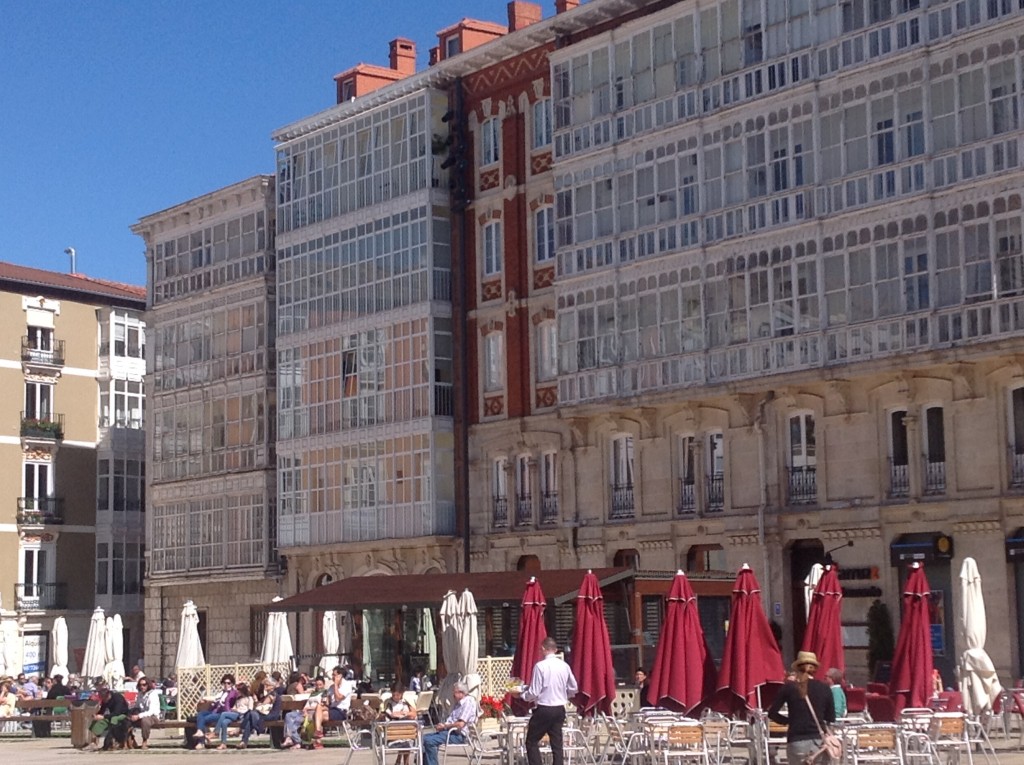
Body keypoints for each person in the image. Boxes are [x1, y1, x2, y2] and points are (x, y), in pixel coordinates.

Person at [514, 636, 579, 765]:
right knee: (557, 744)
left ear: (543, 649)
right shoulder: (564, 666)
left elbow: (534, 692)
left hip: (544, 708)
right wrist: (565, 695)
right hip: (559, 707)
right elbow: (574, 687)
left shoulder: (540, 666)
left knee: (531, 741)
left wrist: (521, 696)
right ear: (555, 650)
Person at [768, 651, 836, 765]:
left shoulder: (789, 688)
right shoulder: (825, 688)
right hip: (819, 742)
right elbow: (831, 717)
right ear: (814, 669)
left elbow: (772, 713)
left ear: (797, 669)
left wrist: (789, 721)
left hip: (796, 741)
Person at [422, 681, 477, 765]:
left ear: (461, 693)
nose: (452, 694)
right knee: (424, 738)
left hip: (460, 736)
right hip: (451, 732)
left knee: (429, 741)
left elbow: (460, 724)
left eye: (454, 692)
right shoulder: (457, 704)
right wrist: (442, 725)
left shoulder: (468, 702)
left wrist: (445, 726)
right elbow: (451, 720)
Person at [194, 674, 238, 749]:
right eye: (224, 683)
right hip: (214, 711)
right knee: (200, 714)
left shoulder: (233, 693)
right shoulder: (221, 692)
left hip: (222, 713)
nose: (226, 685)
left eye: (228, 683)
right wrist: (205, 700)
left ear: (232, 684)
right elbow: (215, 699)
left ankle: (201, 742)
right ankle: (199, 732)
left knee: (203, 719)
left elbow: (229, 701)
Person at [89, 682, 131, 750]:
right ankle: (93, 741)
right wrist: (97, 715)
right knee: (98, 722)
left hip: (123, 715)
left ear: (108, 695)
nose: (103, 700)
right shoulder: (105, 700)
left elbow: (117, 712)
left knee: (114, 719)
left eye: (103, 698)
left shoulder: (117, 697)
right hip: (112, 715)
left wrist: (103, 717)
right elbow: (102, 710)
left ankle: (113, 740)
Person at [383, 682, 417, 765]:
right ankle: (405, 763)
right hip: (393, 733)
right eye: (393, 695)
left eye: (397, 695)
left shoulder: (406, 702)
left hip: (406, 732)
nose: (395, 697)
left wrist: (405, 713)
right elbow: (382, 714)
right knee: (406, 738)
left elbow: (414, 714)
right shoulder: (388, 703)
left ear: (402, 694)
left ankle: (400, 761)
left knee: (407, 737)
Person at [213, 681, 254, 750]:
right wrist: (233, 709)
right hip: (236, 714)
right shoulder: (238, 699)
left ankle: (216, 732)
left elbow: (250, 709)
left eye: (238, 690)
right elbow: (235, 707)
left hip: (242, 715)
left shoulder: (249, 698)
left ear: (242, 691)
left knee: (224, 714)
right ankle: (223, 743)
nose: (237, 692)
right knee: (224, 722)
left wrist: (238, 711)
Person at [129, 676, 162, 749]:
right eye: (140, 685)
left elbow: (151, 711)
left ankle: (145, 740)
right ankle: (130, 739)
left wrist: (138, 716)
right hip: (141, 714)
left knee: (145, 721)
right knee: (127, 719)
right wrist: (133, 714)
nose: (142, 687)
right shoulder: (140, 694)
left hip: (153, 716)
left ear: (148, 685)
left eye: (144, 685)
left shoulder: (153, 694)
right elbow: (137, 706)